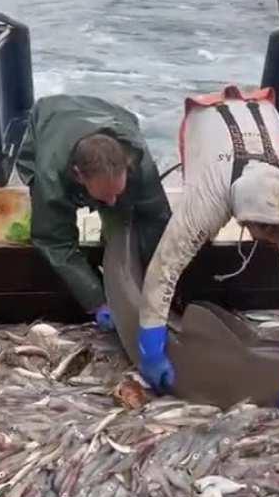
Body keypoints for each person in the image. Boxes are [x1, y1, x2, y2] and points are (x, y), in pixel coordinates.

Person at [138, 85, 279, 415]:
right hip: (206, 124)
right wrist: (150, 343)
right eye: (265, 230)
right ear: (239, 216)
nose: (273, 237)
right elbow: (163, 268)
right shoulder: (208, 201)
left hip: (261, 121)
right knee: (182, 246)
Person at [16, 95, 170, 328]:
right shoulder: (51, 175)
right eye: (103, 195)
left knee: (123, 213)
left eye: (117, 191)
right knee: (47, 217)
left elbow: (157, 218)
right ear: (78, 175)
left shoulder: (139, 162)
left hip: (113, 114)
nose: (111, 202)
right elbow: (54, 242)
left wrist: (154, 281)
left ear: (127, 168)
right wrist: (96, 300)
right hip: (51, 118)